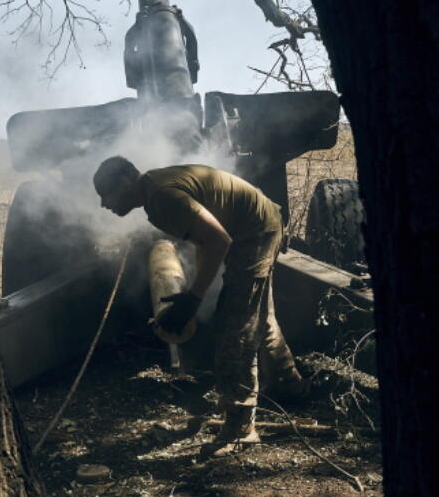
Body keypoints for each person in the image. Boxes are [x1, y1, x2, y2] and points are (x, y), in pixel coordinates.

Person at [93, 155, 316, 457]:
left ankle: (241, 430)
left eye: (105, 194)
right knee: (256, 317)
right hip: (260, 225)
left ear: (124, 182)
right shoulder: (155, 192)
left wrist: (194, 298)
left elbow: (219, 240)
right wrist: (196, 292)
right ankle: (290, 384)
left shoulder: (162, 197)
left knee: (235, 330)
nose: (104, 204)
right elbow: (203, 241)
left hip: (255, 234)